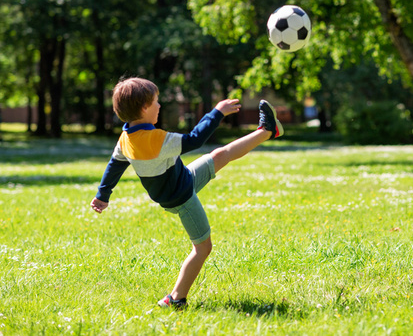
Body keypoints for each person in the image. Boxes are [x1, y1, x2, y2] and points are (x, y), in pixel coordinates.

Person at [90, 77, 283, 308]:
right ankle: (176, 298)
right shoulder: (155, 140)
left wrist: (103, 195)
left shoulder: (126, 138)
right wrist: (217, 112)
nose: (159, 106)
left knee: (220, 155)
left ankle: (267, 130)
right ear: (144, 108)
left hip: (183, 179)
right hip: (181, 198)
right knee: (203, 248)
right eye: (156, 102)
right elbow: (194, 140)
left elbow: (115, 165)